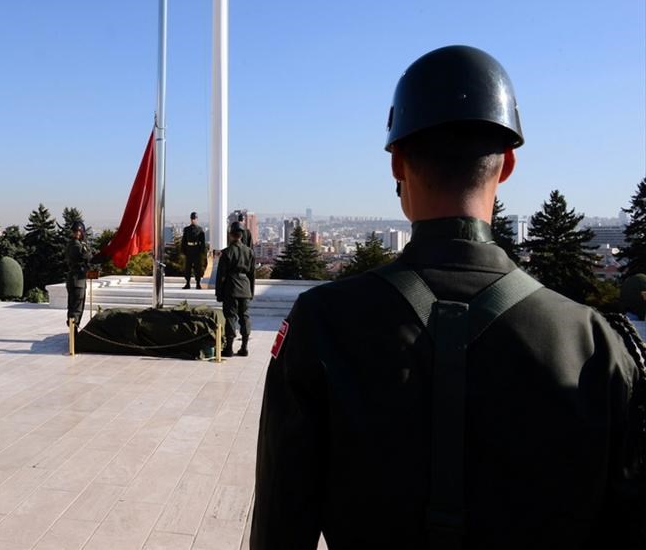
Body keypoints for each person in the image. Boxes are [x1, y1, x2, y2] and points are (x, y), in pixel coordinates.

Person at [251, 46, 645, 549]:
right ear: (507, 165)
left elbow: (280, 525)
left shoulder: (323, 323)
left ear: (397, 163)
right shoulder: (594, 345)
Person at [216, 222, 255, 359]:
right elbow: (252, 275)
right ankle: (244, 347)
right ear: (242, 235)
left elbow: (221, 276)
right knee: (245, 317)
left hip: (231, 288)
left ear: (231, 235)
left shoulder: (227, 252)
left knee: (231, 317)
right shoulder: (249, 252)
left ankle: (229, 348)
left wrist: (219, 293)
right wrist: (251, 292)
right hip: (245, 288)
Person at [65, 221, 94, 328]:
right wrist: (89, 254)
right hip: (77, 280)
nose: (77, 233)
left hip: (78, 279)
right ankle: (73, 331)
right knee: (76, 308)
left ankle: (73, 330)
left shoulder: (79, 243)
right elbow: (85, 256)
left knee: (75, 307)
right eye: (75, 231)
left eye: (79, 231)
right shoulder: (75, 244)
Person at [181, 211, 206, 289]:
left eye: (194, 218)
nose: (193, 220)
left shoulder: (200, 229)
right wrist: (183, 250)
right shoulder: (187, 229)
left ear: (197, 219)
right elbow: (184, 241)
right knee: (187, 268)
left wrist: (202, 251)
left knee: (197, 268)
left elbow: (202, 242)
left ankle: (198, 283)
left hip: (196, 251)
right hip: (189, 250)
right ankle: (187, 283)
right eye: (192, 218)